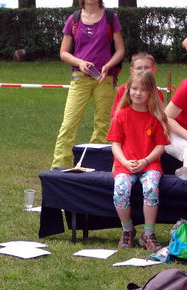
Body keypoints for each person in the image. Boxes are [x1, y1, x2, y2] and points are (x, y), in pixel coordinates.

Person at [50, 0, 124, 170]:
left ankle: (95, 167)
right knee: (68, 124)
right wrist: (80, 62)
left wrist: (108, 65)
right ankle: (59, 168)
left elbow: (120, 50)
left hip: (104, 78)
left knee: (103, 126)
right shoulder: (73, 19)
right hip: (79, 77)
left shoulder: (110, 17)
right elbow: (63, 52)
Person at [107, 70, 169, 251]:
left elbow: (160, 147)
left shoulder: (157, 116)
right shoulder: (121, 114)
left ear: (151, 92)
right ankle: (128, 229)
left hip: (150, 165)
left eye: (143, 89)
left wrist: (146, 161)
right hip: (125, 165)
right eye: (134, 88)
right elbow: (115, 145)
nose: (138, 93)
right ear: (128, 90)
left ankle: (148, 234)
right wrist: (125, 162)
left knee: (151, 188)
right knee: (120, 191)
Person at [110, 52, 163, 117]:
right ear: (132, 71)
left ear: (154, 70)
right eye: (139, 68)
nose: (143, 71)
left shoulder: (157, 93)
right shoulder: (123, 89)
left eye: (147, 68)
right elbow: (115, 116)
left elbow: (159, 116)